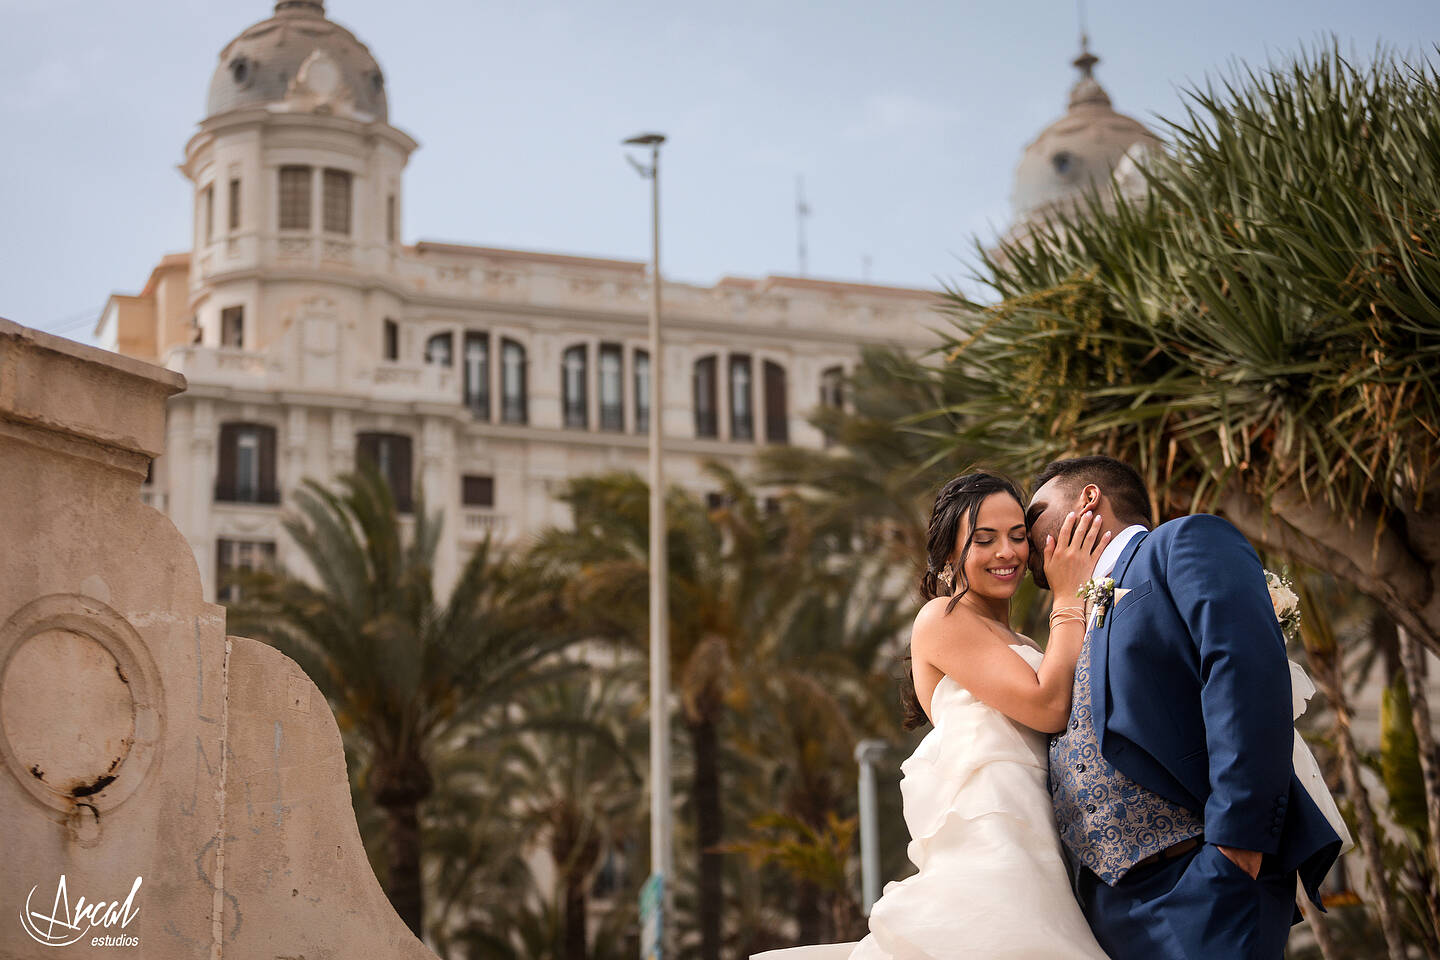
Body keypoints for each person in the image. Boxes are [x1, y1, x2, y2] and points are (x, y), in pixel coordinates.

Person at [754, 472, 1115, 960]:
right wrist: (1070, 596)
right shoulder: (941, 618)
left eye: (1016, 536)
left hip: (1043, 838)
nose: (1007, 552)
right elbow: (1049, 707)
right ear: (949, 555)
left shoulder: (1027, 645)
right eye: (984, 540)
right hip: (994, 841)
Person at [1026, 455, 1342, 959]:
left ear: (1088, 499)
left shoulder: (1181, 544)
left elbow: (1244, 671)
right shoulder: (1069, 620)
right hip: (1105, 909)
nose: (1022, 535)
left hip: (1203, 882)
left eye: (1033, 513)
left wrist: (1237, 848)